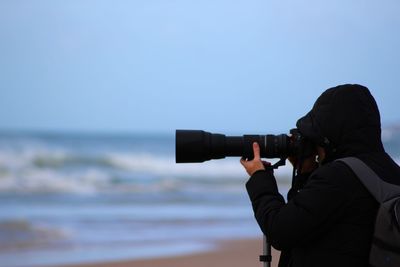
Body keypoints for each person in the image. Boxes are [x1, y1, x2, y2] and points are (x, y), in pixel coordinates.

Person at [240, 84, 400, 267]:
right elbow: (315, 218)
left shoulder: (339, 176)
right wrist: (306, 173)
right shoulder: (390, 171)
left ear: (331, 134)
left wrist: (260, 177)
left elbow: (280, 231)